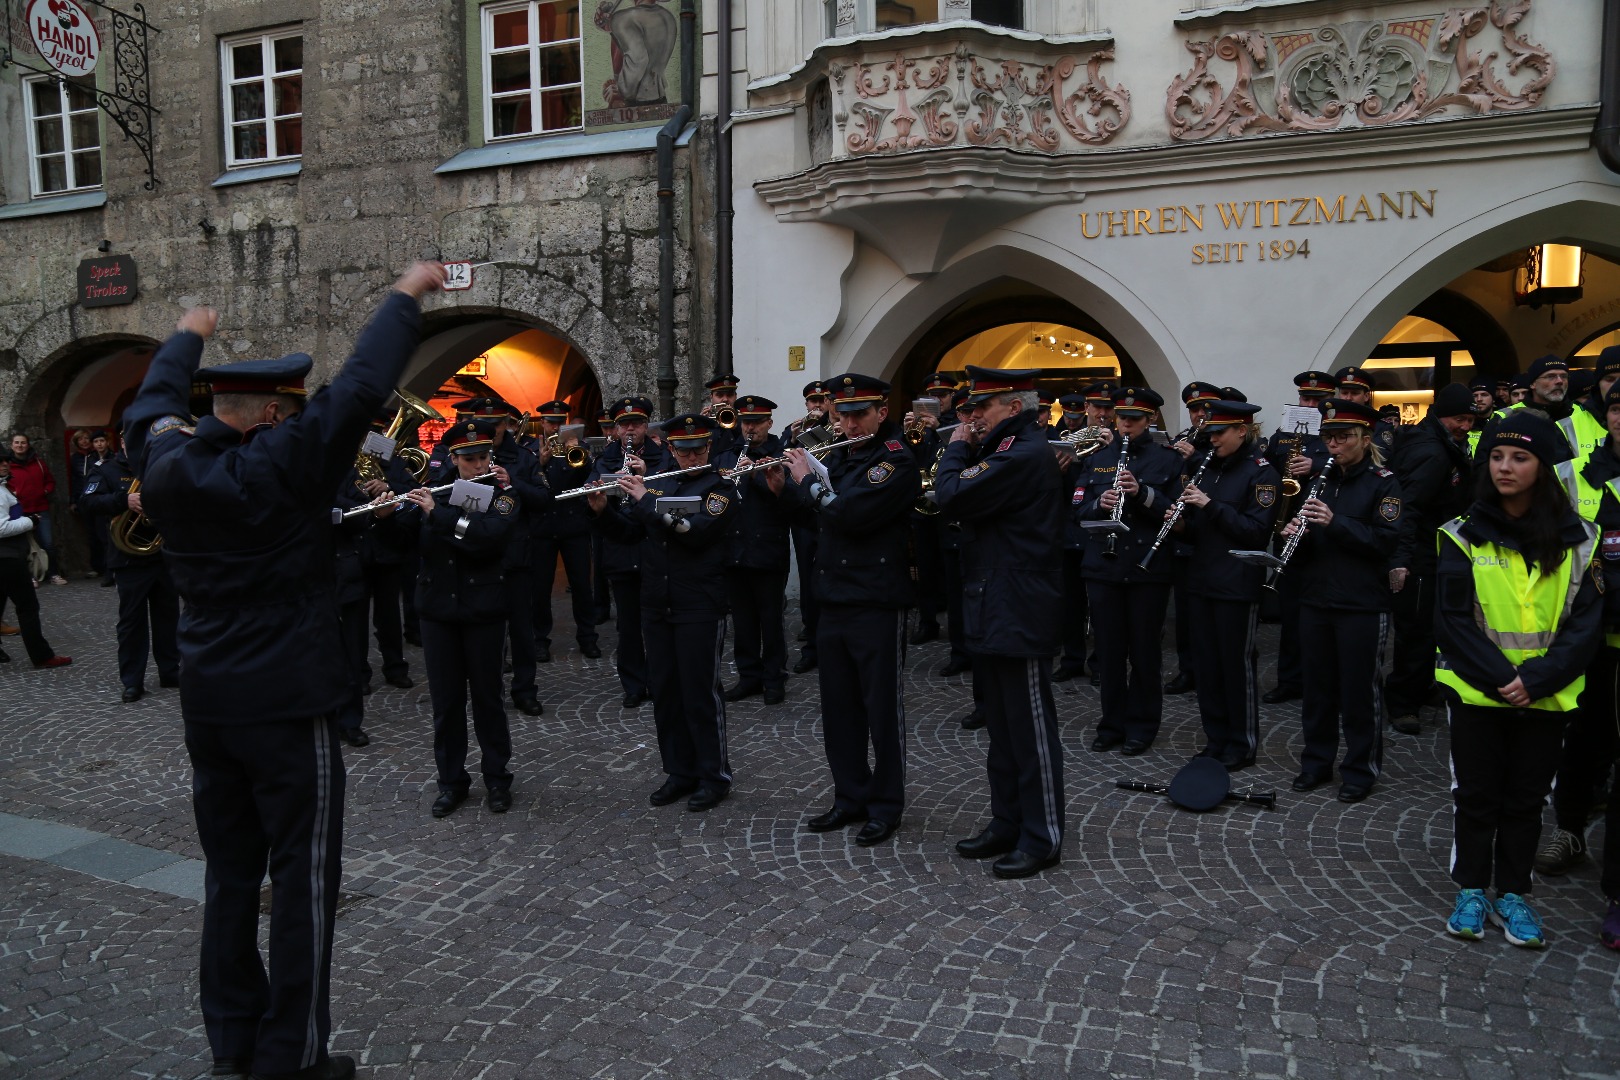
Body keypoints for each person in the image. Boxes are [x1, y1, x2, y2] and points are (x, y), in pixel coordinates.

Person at [123, 261, 445, 1080]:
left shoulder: (164, 465)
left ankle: (233, 1043)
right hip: (287, 701)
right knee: (302, 879)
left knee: (230, 876)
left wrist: (186, 335)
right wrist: (408, 293)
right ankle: (290, 1059)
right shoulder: (284, 463)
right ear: (271, 413)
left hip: (210, 700)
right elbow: (366, 381)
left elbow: (151, 406)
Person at [1436, 411, 1602, 950]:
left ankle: (1512, 892)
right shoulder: (1460, 535)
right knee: (1477, 795)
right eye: (1497, 457)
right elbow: (1452, 621)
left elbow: (1585, 624)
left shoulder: (1583, 540)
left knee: (1527, 800)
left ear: (1543, 468)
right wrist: (1504, 679)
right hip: (1479, 693)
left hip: (1546, 697)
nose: (1505, 467)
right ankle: (1470, 890)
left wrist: (1536, 680)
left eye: (1520, 457)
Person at [934, 366, 1066, 878]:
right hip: (994, 600)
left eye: (980, 408)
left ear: (1014, 407)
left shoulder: (1023, 453)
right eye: (967, 410)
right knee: (1002, 729)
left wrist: (957, 447)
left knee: (1029, 730)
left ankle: (1042, 835)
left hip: (1020, 606)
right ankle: (1007, 821)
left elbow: (950, 494)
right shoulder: (1008, 452)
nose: (970, 418)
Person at [786, 373, 920, 847]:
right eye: (842, 415)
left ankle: (885, 805)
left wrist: (807, 483)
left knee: (881, 710)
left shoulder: (896, 460)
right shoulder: (839, 456)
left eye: (859, 413)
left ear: (882, 412)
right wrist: (783, 485)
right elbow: (812, 517)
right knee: (839, 708)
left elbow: (850, 515)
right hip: (834, 597)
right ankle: (849, 796)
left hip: (876, 600)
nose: (848, 422)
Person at [590, 413, 737, 810]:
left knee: (700, 693)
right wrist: (603, 511)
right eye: (684, 450)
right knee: (667, 692)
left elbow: (697, 532)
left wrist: (644, 501)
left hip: (699, 603)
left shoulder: (721, 487)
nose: (692, 457)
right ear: (671, 450)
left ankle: (713, 775)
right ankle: (679, 771)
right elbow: (631, 534)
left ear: (708, 448)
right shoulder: (661, 484)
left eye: (699, 450)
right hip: (657, 601)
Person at [1282, 399, 1402, 802]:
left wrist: (1336, 523)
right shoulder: (1320, 481)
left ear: (1365, 439)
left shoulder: (1383, 482)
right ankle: (1316, 762)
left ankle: (1360, 770)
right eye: (1329, 438)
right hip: (1316, 597)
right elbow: (1310, 542)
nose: (1334, 445)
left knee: (1358, 691)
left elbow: (1386, 541)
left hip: (1361, 601)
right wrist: (1293, 535)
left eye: (1343, 437)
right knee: (1317, 689)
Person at [409, 418, 525, 817]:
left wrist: (438, 518)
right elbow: (409, 543)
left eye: (482, 457)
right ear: (454, 460)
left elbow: (487, 538)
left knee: (488, 699)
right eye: (469, 459)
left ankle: (497, 779)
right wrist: (392, 514)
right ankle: (451, 782)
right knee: (447, 702)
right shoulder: (435, 493)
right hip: (438, 608)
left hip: (483, 607)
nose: (478, 465)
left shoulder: (504, 496)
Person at [1074, 387, 1183, 756]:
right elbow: (1077, 509)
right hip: (1103, 567)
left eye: (1134, 419)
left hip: (1145, 569)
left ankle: (1142, 725)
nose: (1125, 424)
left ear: (1151, 420)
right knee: (1108, 652)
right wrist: (1097, 504)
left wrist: (1142, 493)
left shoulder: (1167, 461)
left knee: (1144, 652)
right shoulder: (1100, 457)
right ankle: (1111, 724)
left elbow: (1176, 513)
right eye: (1121, 418)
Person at [1177, 400, 1281, 769]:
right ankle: (1215, 738)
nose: (1213, 439)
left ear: (1242, 430)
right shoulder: (1206, 467)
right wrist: (1177, 521)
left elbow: (1256, 532)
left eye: (1219, 432)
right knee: (1206, 666)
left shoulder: (1262, 472)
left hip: (1236, 581)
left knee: (1235, 666)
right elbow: (1196, 529)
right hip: (1202, 577)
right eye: (1209, 433)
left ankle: (1242, 742)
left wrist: (1209, 506)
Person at [1384, 383, 1475, 735]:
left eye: (1470, 419)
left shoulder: (1441, 444)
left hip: (1432, 550)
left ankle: (1421, 688)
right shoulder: (1432, 453)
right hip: (1421, 554)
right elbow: (1407, 508)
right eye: (1459, 418)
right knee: (1416, 630)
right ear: (1441, 415)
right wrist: (1402, 558)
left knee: (1427, 628)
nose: (1465, 425)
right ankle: (1402, 702)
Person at [715, 395, 804, 705]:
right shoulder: (726, 455)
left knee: (770, 620)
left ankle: (774, 678)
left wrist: (757, 476)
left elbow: (794, 500)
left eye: (756, 422)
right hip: (734, 548)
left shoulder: (782, 455)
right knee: (742, 621)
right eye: (745, 422)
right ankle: (748, 676)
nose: (749, 428)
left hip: (767, 548)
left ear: (769, 423)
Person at [78, 437, 179, 702]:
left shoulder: (162, 466)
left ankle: (170, 671)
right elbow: (87, 502)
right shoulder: (107, 469)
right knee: (132, 622)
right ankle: (132, 681)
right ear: (123, 441)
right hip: (128, 557)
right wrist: (125, 500)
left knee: (168, 616)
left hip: (163, 554)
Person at [1263, 370, 1337, 704]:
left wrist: (1316, 463)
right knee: (1291, 609)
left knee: (1324, 611)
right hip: (1289, 528)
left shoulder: (1335, 433)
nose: (1309, 404)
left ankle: (1323, 682)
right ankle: (1290, 680)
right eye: (1305, 399)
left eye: (1316, 400)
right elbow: (1266, 469)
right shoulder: (1282, 434)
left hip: (1323, 531)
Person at [591, 396, 661, 708]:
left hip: (653, 553)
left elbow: (670, 497)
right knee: (628, 627)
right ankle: (633, 684)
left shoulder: (664, 459)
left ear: (646, 426)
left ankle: (660, 680)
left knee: (657, 623)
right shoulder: (603, 461)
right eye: (624, 425)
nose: (630, 429)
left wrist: (647, 480)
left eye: (636, 423)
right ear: (616, 430)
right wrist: (600, 503)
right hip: (620, 552)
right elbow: (590, 502)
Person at [529, 400, 602, 663]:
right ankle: (539, 640)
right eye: (550, 422)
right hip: (543, 526)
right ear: (543, 423)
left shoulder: (578, 448)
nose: (555, 426)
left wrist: (577, 454)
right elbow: (526, 482)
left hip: (573, 524)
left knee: (582, 585)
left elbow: (591, 477)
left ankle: (588, 637)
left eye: (560, 422)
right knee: (540, 588)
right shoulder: (530, 449)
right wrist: (540, 462)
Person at [1164, 381, 1222, 695]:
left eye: (1205, 408)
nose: (1200, 414)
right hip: (1184, 535)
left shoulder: (1220, 444)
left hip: (1214, 537)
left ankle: (1212, 671)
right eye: (1194, 409)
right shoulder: (1182, 440)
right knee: (1185, 613)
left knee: (1213, 615)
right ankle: (1188, 670)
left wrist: (1197, 457)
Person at [0, 454, 71, 668]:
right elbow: (2, 528)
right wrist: (30, 521)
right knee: (27, 607)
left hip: (7, 556)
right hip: (7, 557)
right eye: (0, 462)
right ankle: (41, 656)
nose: (4, 465)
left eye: (5, 461)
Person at [783, 380, 830, 675]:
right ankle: (811, 643)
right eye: (812, 401)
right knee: (809, 581)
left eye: (821, 401)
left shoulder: (836, 430)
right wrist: (794, 437)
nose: (816, 406)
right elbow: (785, 462)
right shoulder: (797, 430)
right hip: (805, 514)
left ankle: (829, 643)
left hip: (830, 511)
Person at [7, 432, 66, 585]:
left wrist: (45, 491)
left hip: (40, 507)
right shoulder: (7, 465)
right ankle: (30, 576)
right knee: (24, 546)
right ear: (11, 445)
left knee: (48, 543)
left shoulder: (38, 463)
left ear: (28, 445)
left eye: (23, 443)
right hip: (20, 511)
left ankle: (53, 574)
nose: (20, 445)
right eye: (17, 443)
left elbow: (50, 481)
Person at [69, 428, 113, 581]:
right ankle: (98, 567)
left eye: (101, 441)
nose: (99, 444)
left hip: (104, 500)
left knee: (104, 535)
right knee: (92, 535)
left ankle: (110, 568)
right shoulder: (85, 458)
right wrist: (74, 500)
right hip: (87, 500)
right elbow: (77, 480)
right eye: (96, 441)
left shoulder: (110, 457)